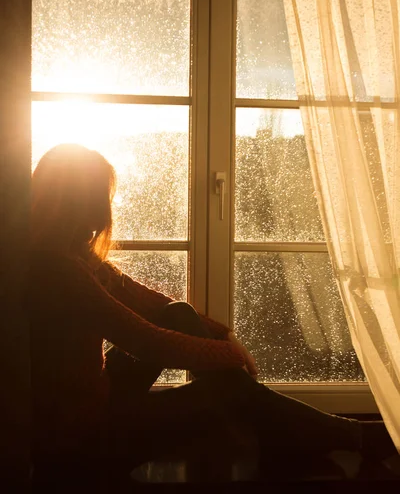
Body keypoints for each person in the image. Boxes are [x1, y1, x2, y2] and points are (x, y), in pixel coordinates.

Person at [27, 143, 398, 480]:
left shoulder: (72, 254)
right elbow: (146, 341)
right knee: (227, 393)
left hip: (94, 402)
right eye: (99, 196)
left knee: (179, 313)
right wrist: (230, 354)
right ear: (77, 200)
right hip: (79, 442)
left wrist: (221, 333)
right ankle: (348, 435)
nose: (106, 207)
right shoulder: (55, 269)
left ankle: (304, 432)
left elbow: (149, 304)